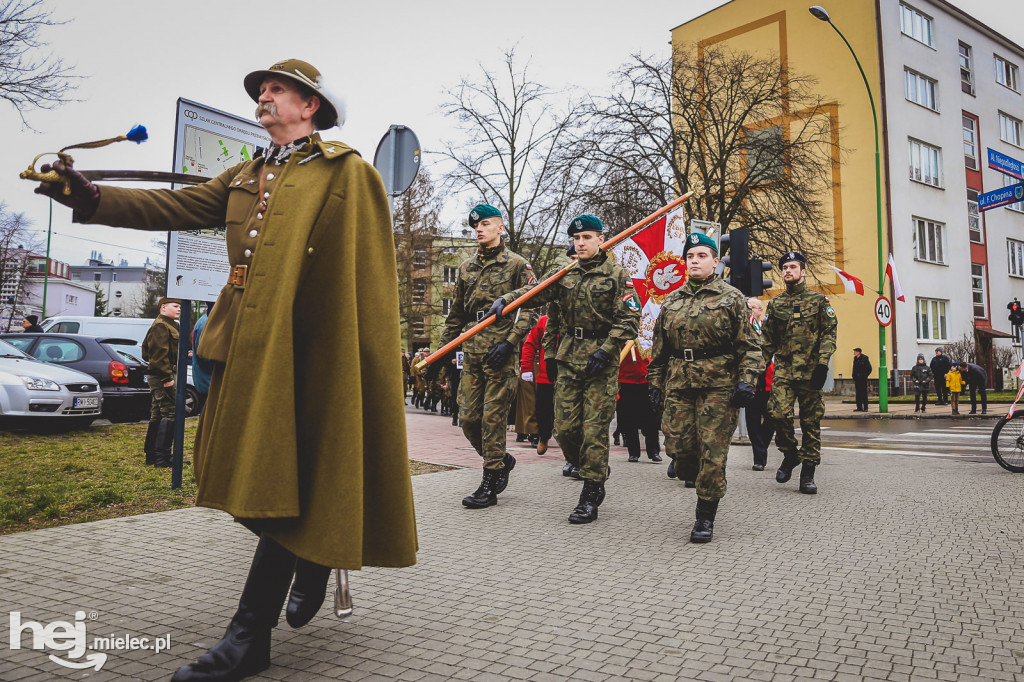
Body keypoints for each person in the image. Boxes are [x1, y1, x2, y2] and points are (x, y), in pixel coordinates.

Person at [35, 58, 417, 682]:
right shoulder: (248, 173)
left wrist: (338, 358)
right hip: (243, 342)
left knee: (282, 478)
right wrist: (89, 196)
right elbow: (173, 207)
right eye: (260, 92)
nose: (263, 99)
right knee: (243, 472)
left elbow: (361, 285)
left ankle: (250, 635)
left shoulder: (348, 173)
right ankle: (313, 552)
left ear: (309, 106)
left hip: (309, 350)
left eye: (276, 91)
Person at [490, 214, 640, 524]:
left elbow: (629, 321)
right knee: (565, 428)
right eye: (576, 238)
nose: (581, 243)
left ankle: (591, 491)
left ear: (601, 239)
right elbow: (534, 292)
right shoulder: (565, 274)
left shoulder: (617, 277)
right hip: (570, 358)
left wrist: (607, 349)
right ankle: (591, 466)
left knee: (594, 429)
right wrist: (506, 299)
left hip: (602, 360)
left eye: (587, 237)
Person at [647, 233, 763, 542]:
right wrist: (654, 385)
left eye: (701, 256)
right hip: (679, 383)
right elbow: (659, 349)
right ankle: (693, 475)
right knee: (679, 450)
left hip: (718, 386)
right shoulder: (672, 300)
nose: (695, 261)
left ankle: (704, 515)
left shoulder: (732, 298)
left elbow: (751, 346)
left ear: (715, 261)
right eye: (690, 256)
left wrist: (746, 381)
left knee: (713, 453)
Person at [432, 204, 536, 509]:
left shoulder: (518, 265)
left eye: (486, 224)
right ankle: (501, 459)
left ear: (500, 228)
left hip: (501, 352)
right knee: (468, 419)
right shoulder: (466, 268)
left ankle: (489, 483)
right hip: (473, 351)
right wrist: (441, 351)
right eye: (475, 226)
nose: (479, 229)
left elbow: (530, 308)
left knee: (493, 419)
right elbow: (457, 316)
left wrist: (511, 342)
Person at [762, 251, 838, 495]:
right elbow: (767, 341)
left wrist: (823, 364)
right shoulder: (775, 304)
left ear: (803, 271)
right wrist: (756, 368)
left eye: (793, 267)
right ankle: (790, 453)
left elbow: (828, 335)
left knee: (810, 422)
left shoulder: (819, 302)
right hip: (784, 370)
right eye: (784, 267)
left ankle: (808, 472)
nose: (788, 271)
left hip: (811, 370)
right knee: (777, 414)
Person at [141, 297, 181, 468]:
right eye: (176, 306)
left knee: (158, 413)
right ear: (163, 307)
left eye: (180, 306)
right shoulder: (161, 325)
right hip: (161, 375)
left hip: (162, 373)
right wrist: (167, 378)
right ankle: (162, 458)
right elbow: (156, 356)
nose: (180, 309)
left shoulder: (171, 325)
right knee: (170, 412)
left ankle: (153, 455)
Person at [617, 347, 662, 463]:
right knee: (629, 419)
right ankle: (633, 452)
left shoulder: (646, 332)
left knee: (650, 419)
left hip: (645, 379)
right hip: (626, 379)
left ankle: (653, 451)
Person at [745, 297, 774, 471]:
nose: (750, 310)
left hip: (770, 381)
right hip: (752, 381)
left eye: (753, 307)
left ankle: (761, 447)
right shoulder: (744, 328)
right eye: (748, 307)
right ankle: (759, 458)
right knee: (753, 420)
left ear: (760, 310)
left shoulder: (767, 328)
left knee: (772, 419)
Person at [522, 314, 555, 455]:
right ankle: (544, 436)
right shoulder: (544, 320)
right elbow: (530, 344)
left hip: (570, 374)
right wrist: (526, 367)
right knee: (543, 410)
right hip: (546, 374)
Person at [190, 303, 213, 416]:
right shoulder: (207, 322)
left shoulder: (207, 320)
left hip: (207, 381)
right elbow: (204, 354)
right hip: (208, 382)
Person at [852, 347, 872, 412]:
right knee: (858, 394)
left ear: (859, 352)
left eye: (855, 351)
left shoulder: (865, 358)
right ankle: (859, 407)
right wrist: (853, 376)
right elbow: (854, 368)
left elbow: (869, 368)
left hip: (863, 379)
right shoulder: (855, 358)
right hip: (857, 379)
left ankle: (865, 407)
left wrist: (864, 375)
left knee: (864, 393)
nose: (854, 353)